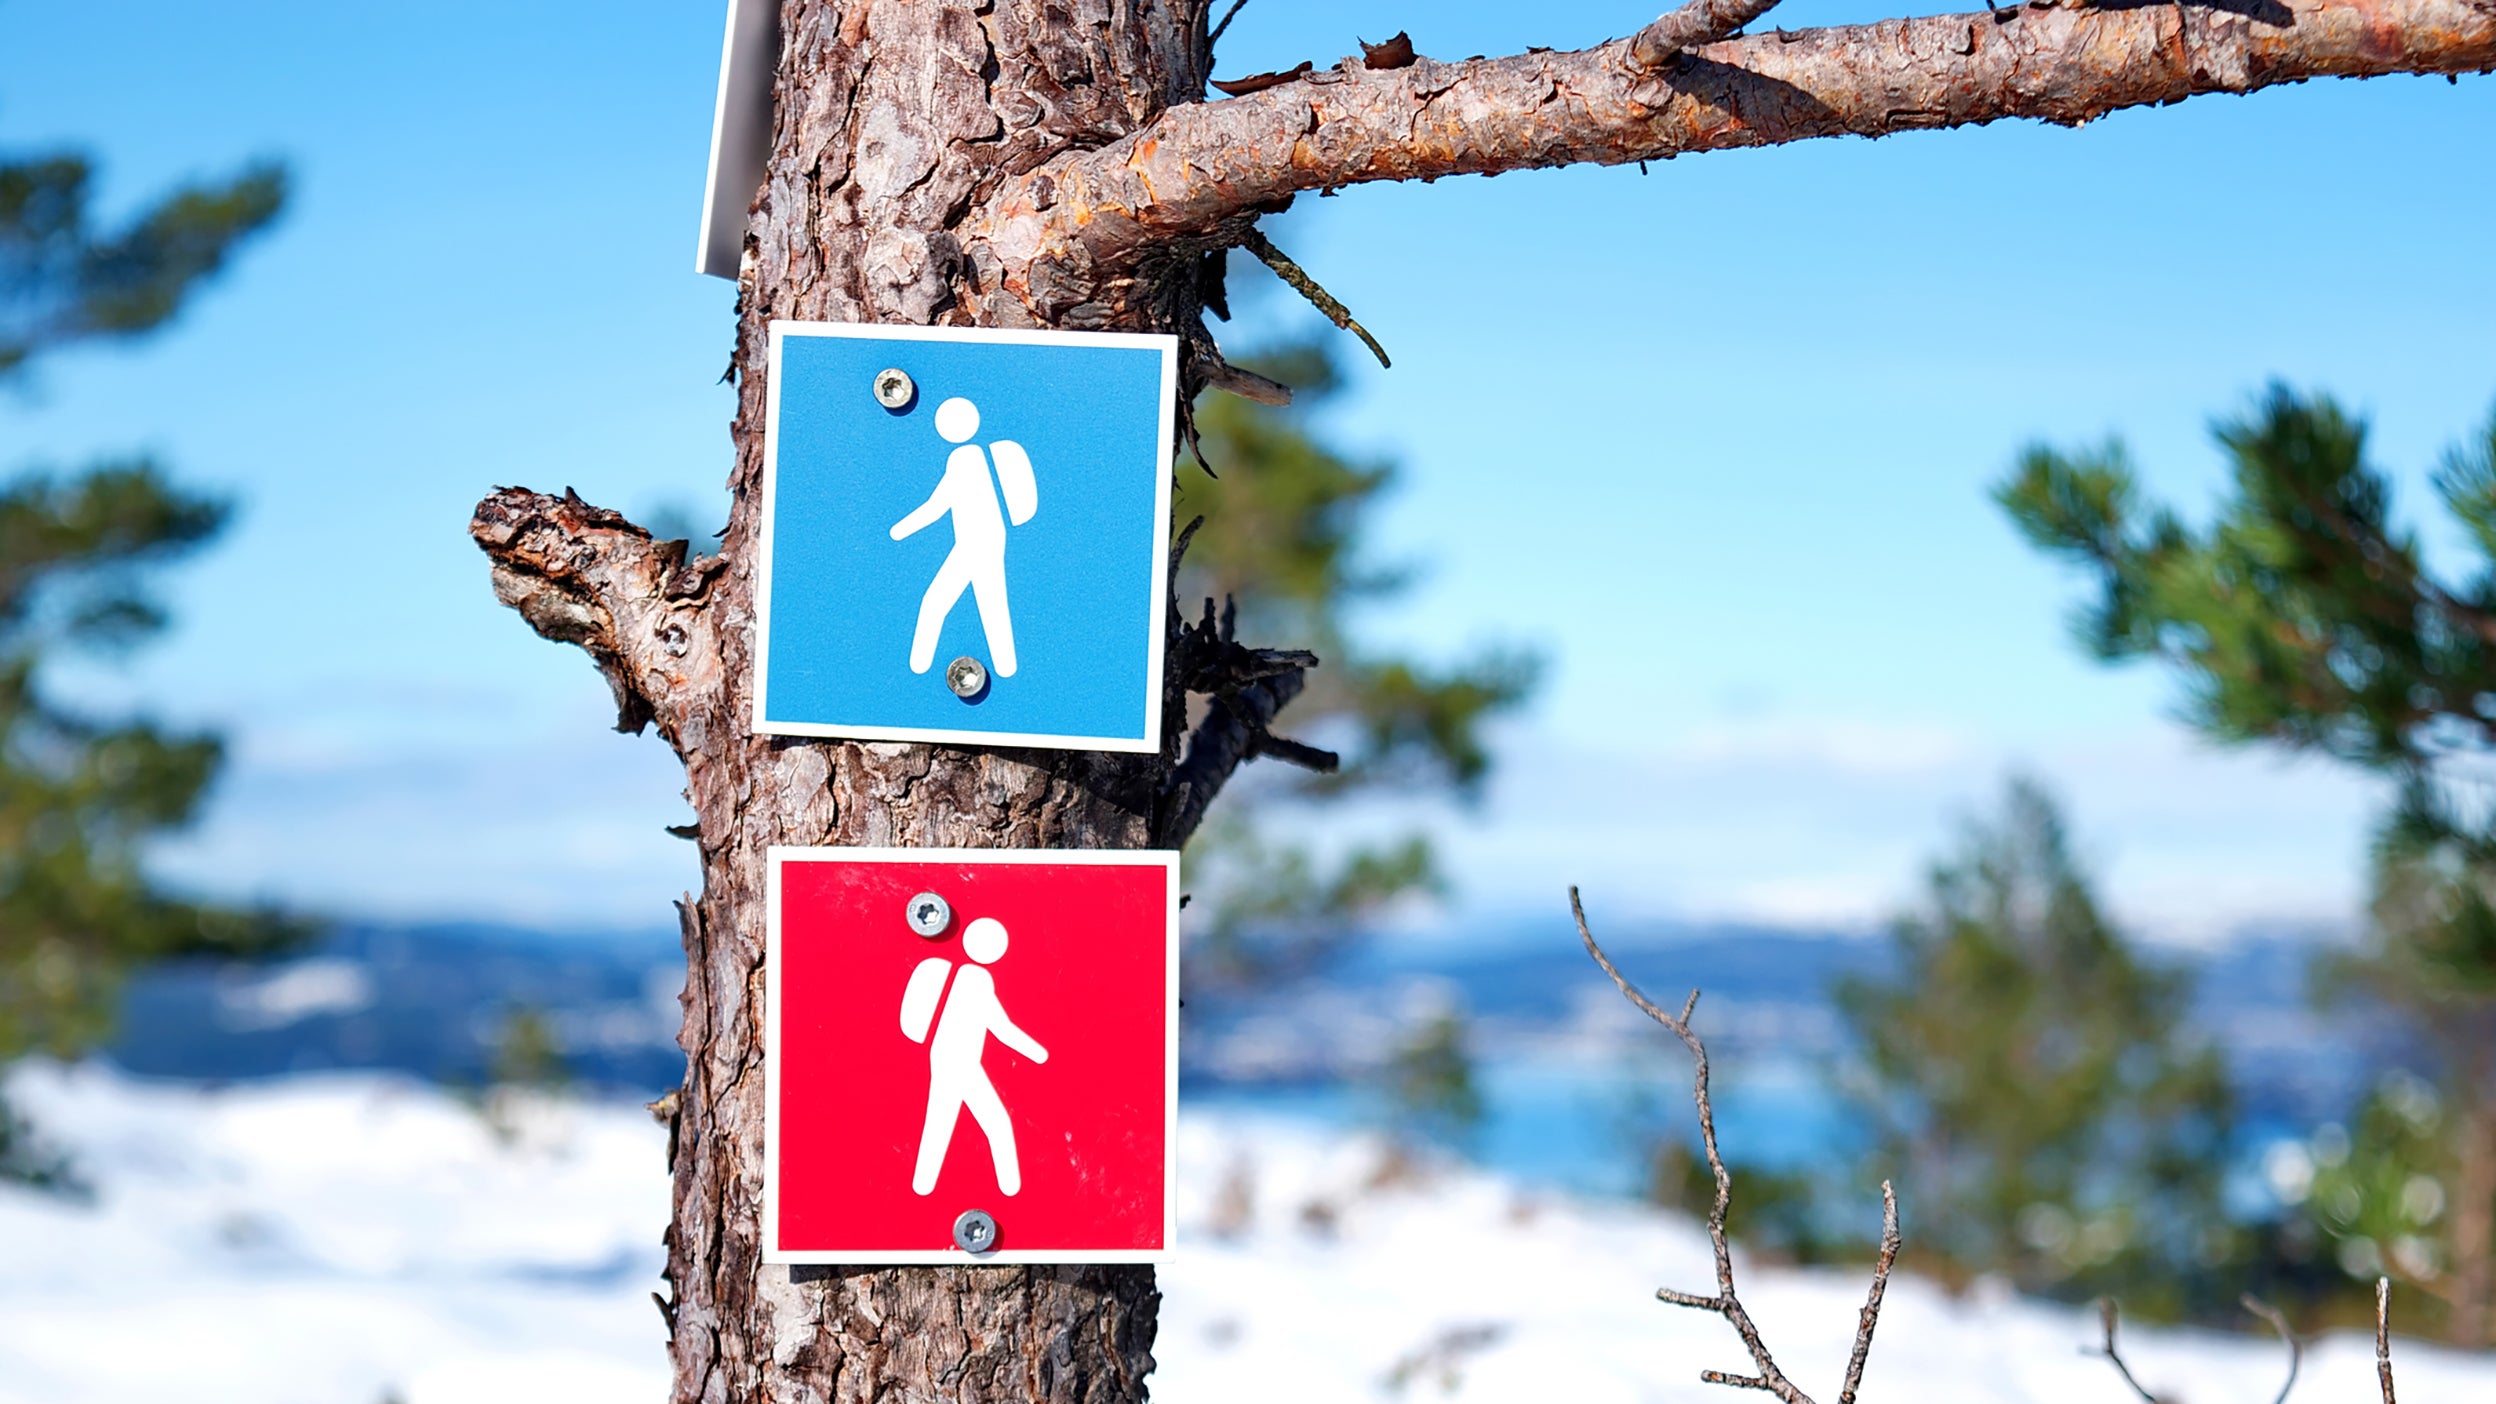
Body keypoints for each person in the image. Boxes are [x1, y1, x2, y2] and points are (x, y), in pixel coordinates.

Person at [889, 396, 1037, 679]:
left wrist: (899, 531)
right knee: (991, 604)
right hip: (991, 540)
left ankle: (917, 669)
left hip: (973, 544)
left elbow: (937, 506)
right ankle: (1006, 669)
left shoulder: (962, 459)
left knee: (935, 602)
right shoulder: (982, 455)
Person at [900, 915, 1048, 1196]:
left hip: (946, 1059)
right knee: (994, 1123)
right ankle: (1010, 1191)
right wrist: (1039, 1054)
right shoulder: (977, 979)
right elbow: (1001, 1027)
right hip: (961, 1063)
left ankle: (923, 1186)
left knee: (942, 1122)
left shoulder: (958, 973)